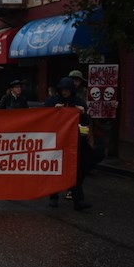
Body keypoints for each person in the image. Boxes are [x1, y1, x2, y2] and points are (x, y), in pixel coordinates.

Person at [45, 77, 92, 211]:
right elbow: (43, 116)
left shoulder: (78, 102)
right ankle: (53, 197)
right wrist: (53, 110)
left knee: (74, 170)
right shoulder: (53, 101)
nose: (64, 92)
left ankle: (78, 201)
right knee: (55, 169)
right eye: (62, 89)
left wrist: (82, 113)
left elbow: (86, 122)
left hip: (72, 142)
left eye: (66, 89)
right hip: (56, 141)